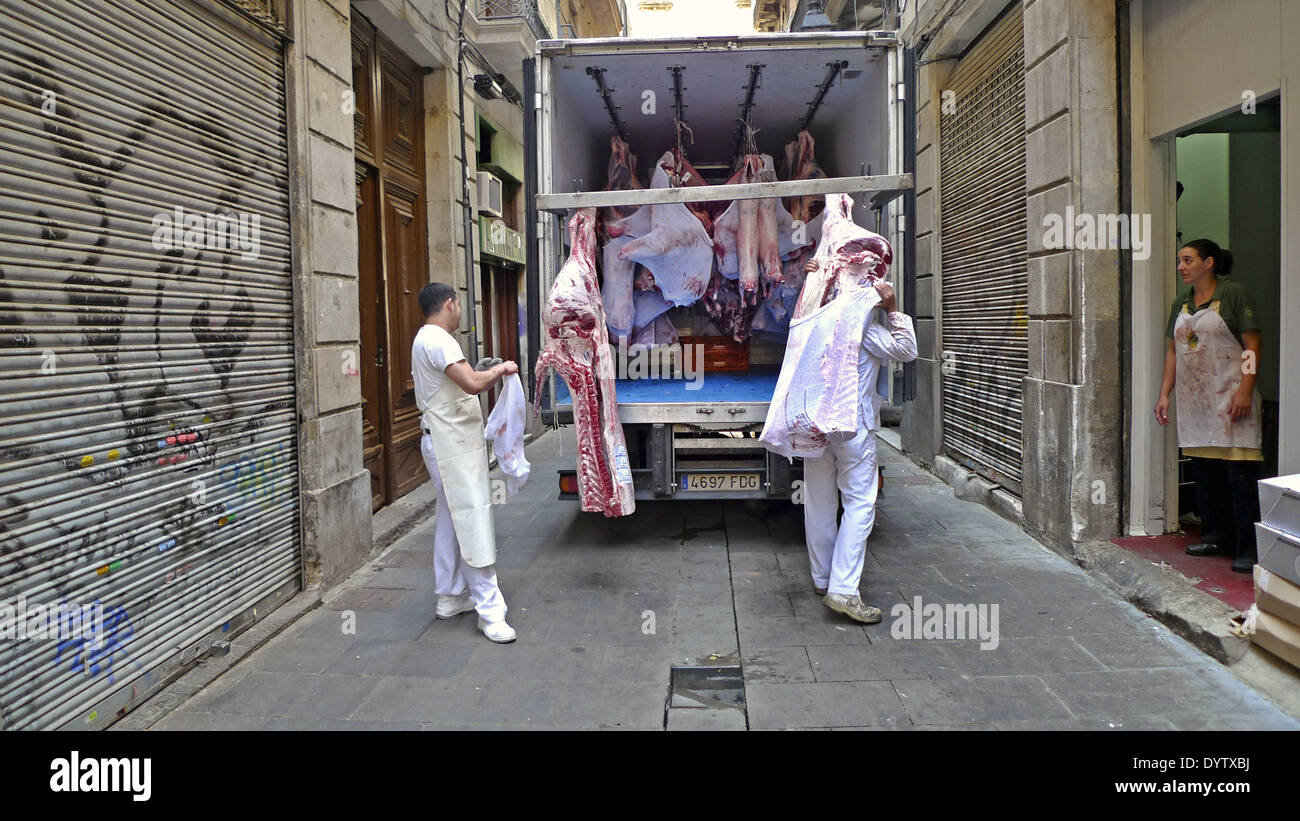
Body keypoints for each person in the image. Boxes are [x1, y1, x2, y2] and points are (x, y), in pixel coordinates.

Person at [799, 260, 918, 623]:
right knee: (860, 504)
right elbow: (907, 349)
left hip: (816, 425)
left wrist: (811, 283)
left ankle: (823, 578)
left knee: (819, 502)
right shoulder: (864, 328)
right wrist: (893, 308)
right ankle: (844, 590)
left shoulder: (815, 319)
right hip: (852, 428)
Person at [412, 282, 520, 642]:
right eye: (458, 306)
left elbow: (458, 382)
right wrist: (501, 370)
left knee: (450, 518)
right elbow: (472, 383)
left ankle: (449, 596)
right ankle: (489, 611)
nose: (460, 312)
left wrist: (482, 371)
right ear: (450, 304)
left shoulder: (423, 339)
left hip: (442, 443)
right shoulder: (439, 340)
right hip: (450, 446)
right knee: (472, 516)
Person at [1154, 239, 1264, 573]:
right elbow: (1174, 350)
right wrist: (1164, 394)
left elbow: (1252, 345)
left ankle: (1248, 547)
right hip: (1196, 401)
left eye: (1187, 260)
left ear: (1209, 263)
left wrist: (1245, 390)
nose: (1181, 266)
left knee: (1239, 475)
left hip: (1231, 398)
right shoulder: (1181, 302)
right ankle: (1218, 537)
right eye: (1179, 260)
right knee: (1206, 474)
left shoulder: (1234, 294)